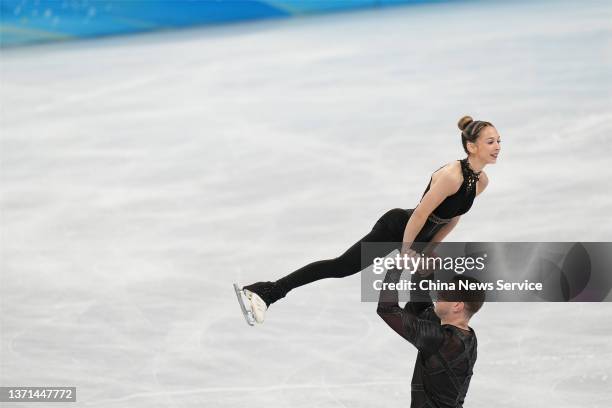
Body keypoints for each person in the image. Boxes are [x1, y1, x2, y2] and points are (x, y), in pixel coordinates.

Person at [235, 115, 501, 324]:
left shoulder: (481, 182)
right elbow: (421, 213)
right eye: (491, 142)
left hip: (423, 234)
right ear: (471, 146)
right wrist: (408, 250)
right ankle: (266, 292)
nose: (497, 147)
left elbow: (453, 218)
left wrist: (430, 248)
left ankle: (425, 328)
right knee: (341, 267)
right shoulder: (452, 175)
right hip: (400, 226)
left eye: (499, 141)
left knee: (429, 269)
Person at [377, 271, 486, 408]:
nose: (438, 295)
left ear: (457, 305)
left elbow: (387, 309)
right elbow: (420, 300)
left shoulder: (441, 340)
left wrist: (397, 268)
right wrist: (425, 270)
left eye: (445, 294)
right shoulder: (466, 336)